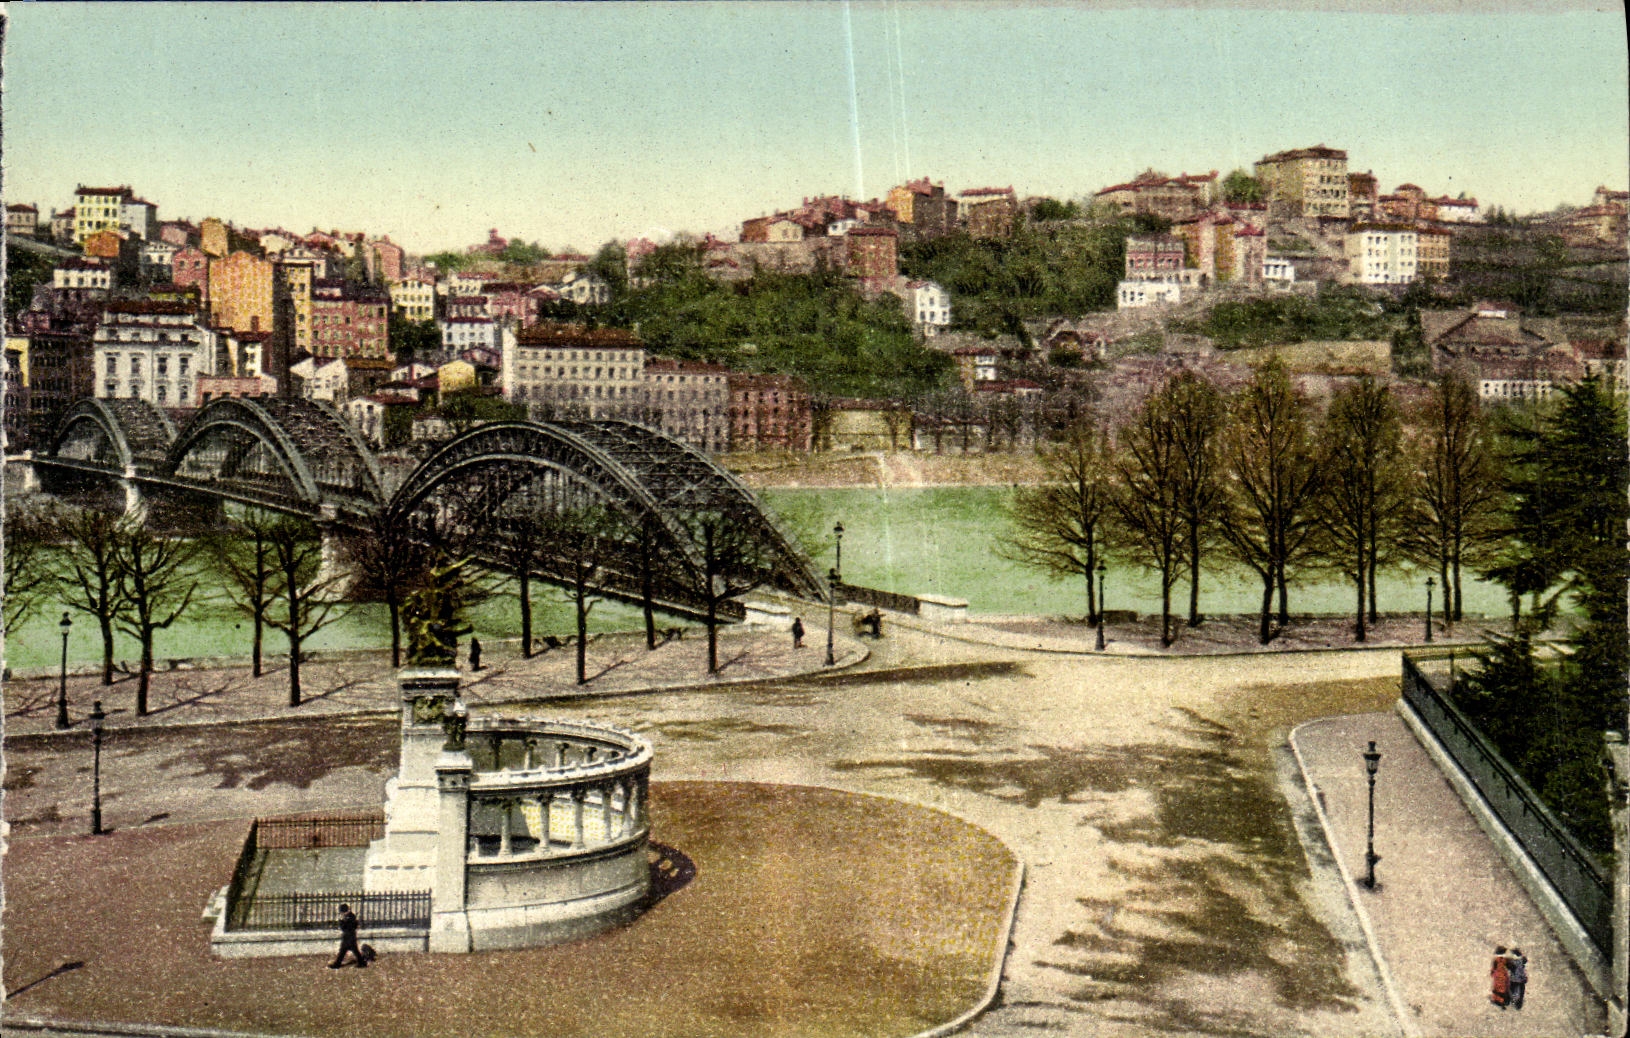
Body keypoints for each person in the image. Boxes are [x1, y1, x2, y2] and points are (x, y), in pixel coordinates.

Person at [330, 904, 366, 968]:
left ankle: (337, 964)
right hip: (349, 937)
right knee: (347, 951)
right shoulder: (350, 916)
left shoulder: (349, 917)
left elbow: (346, 927)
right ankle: (361, 963)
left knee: (344, 951)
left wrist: (341, 922)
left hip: (349, 937)